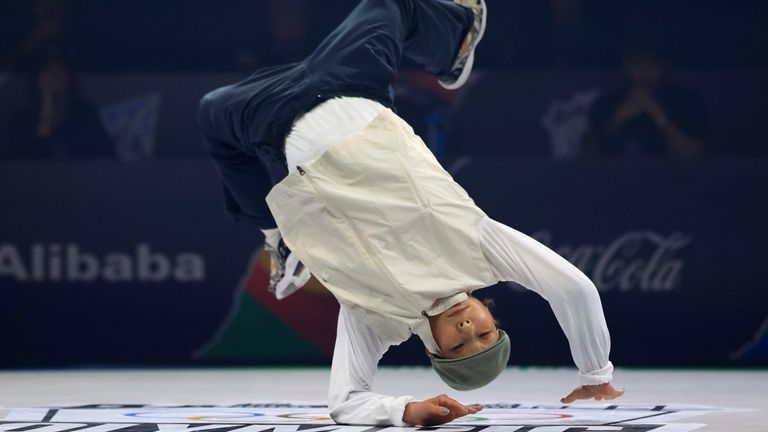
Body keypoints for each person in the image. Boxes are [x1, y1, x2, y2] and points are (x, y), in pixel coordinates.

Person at [197, 0, 623, 426]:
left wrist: (404, 410)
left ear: (432, 350)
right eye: (485, 333)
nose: (466, 329)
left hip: (277, 124)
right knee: (391, 4)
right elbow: (574, 289)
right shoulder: (481, 250)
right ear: (492, 315)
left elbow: (345, 402)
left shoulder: (374, 318)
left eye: (458, 347)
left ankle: (277, 238)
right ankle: (456, 40)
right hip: (350, 86)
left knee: (213, 112)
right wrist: (595, 372)